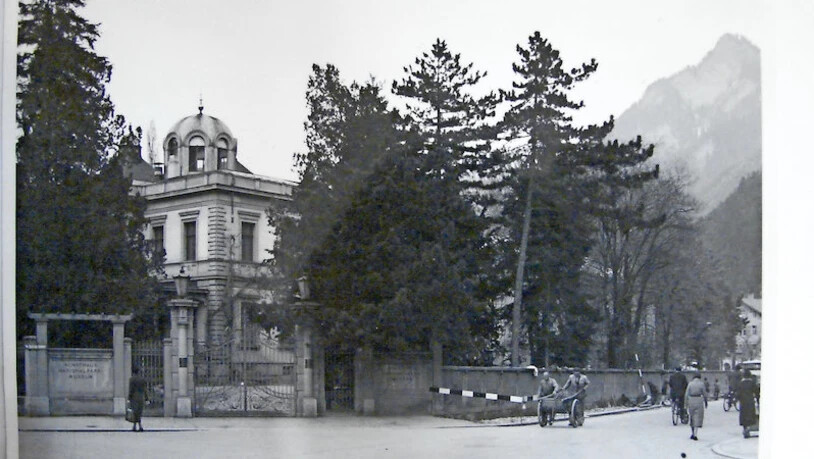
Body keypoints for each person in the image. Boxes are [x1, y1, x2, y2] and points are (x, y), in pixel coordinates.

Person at [684, 372, 708, 440]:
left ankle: (692, 432)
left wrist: (685, 404)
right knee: (697, 417)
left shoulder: (690, 384)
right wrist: (706, 402)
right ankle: (695, 433)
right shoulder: (701, 384)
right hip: (699, 400)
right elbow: (705, 394)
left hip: (691, 400)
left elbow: (686, 394)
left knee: (692, 416)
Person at [737, 369, 759, 436]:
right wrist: (758, 400)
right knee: (750, 415)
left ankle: (745, 428)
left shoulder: (740, 383)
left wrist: (739, 398)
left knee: (744, 415)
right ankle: (749, 427)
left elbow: (738, 393)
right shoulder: (752, 383)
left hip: (743, 402)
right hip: (750, 401)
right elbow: (756, 392)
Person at [128, 367, 148, 432]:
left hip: (134, 397)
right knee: (139, 412)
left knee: (134, 412)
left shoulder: (132, 379)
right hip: (141, 397)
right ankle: (139, 426)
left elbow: (131, 390)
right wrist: (147, 398)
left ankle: (135, 426)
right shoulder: (142, 379)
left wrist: (129, 398)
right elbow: (145, 390)